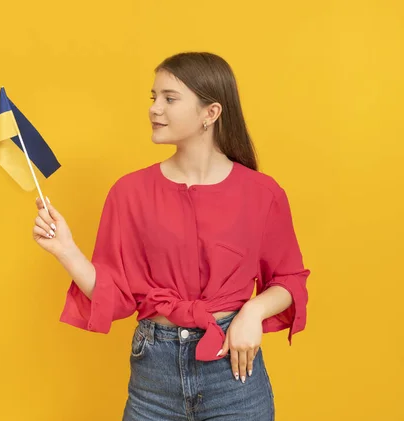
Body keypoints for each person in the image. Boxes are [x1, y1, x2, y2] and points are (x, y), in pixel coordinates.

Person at [32, 51, 310, 421]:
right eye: (153, 98)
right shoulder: (129, 192)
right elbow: (115, 298)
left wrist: (253, 312)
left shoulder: (262, 193)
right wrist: (66, 250)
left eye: (169, 98)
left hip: (233, 375)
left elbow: (289, 280)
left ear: (210, 113)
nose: (154, 109)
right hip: (153, 381)